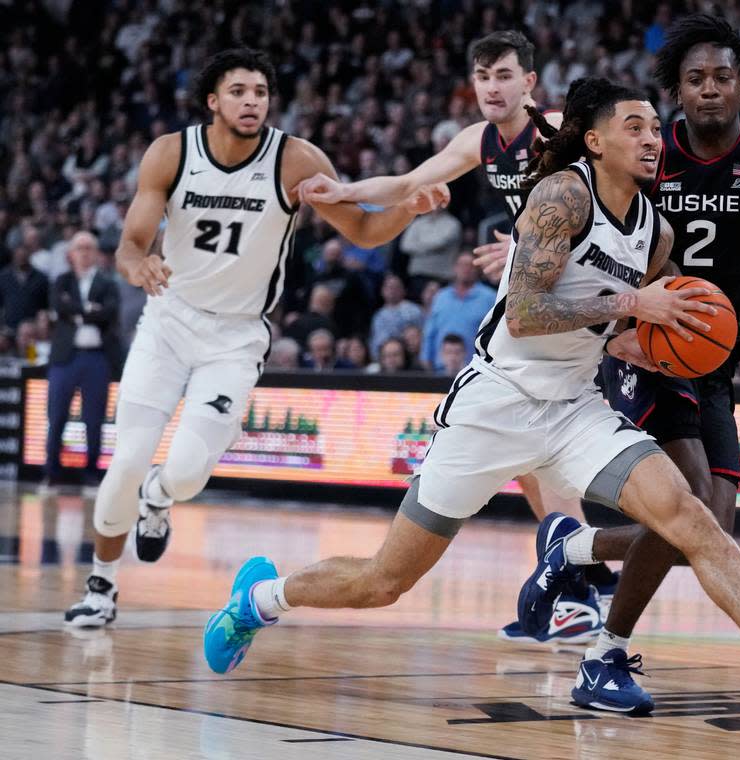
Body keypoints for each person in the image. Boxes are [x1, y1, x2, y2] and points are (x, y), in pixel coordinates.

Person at [203, 77, 740, 736]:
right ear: (594, 141)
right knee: (386, 580)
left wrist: (662, 345)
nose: (649, 138)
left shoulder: (654, 233)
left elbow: (620, 332)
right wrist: (631, 304)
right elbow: (524, 313)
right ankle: (258, 601)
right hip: (493, 405)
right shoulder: (561, 194)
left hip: (574, 408)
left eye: (651, 127)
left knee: (689, 518)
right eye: (632, 127)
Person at [64, 48, 447, 627]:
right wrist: (136, 264)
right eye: (239, 91)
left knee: (188, 472)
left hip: (237, 337)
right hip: (168, 322)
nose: (251, 101)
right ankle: (101, 584)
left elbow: (365, 228)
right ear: (213, 101)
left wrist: (408, 211)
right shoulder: (171, 152)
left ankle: (159, 499)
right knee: (126, 463)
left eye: (261, 92)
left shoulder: (295, 161)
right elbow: (130, 243)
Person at [550, 16, 740, 714]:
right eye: (694, 79)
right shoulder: (647, 151)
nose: (709, 90)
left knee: (708, 528)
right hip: (643, 346)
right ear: (675, 92)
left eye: (721, 77)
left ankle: (572, 552)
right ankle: (607, 652)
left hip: (711, 355)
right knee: (688, 514)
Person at [295, 33, 623, 633]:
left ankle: (583, 574)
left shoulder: (556, 129)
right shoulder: (479, 140)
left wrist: (532, 247)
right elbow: (407, 182)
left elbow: (606, 199)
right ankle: (580, 573)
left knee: (545, 428)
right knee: (530, 447)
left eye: (503, 75)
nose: (491, 88)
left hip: (582, 284)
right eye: (482, 77)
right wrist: (343, 192)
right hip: (535, 285)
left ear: (529, 82)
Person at [43, 232, 121, 489]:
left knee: (94, 418)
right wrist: (89, 311)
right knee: (56, 416)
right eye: (80, 248)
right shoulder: (62, 281)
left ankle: (91, 473)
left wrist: (76, 313)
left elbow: (109, 312)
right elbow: (59, 306)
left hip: (97, 358)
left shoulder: (108, 282)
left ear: (96, 253)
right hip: (66, 358)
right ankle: (51, 472)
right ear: (71, 253)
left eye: (89, 248)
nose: (85, 252)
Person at [420, 252, 496, 372]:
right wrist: (425, 357)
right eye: (462, 265)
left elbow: (495, 334)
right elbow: (430, 330)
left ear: (477, 269)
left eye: (470, 265)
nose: (465, 269)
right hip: (440, 368)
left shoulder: (489, 298)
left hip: (476, 369)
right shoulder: (441, 296)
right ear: (454, 268)